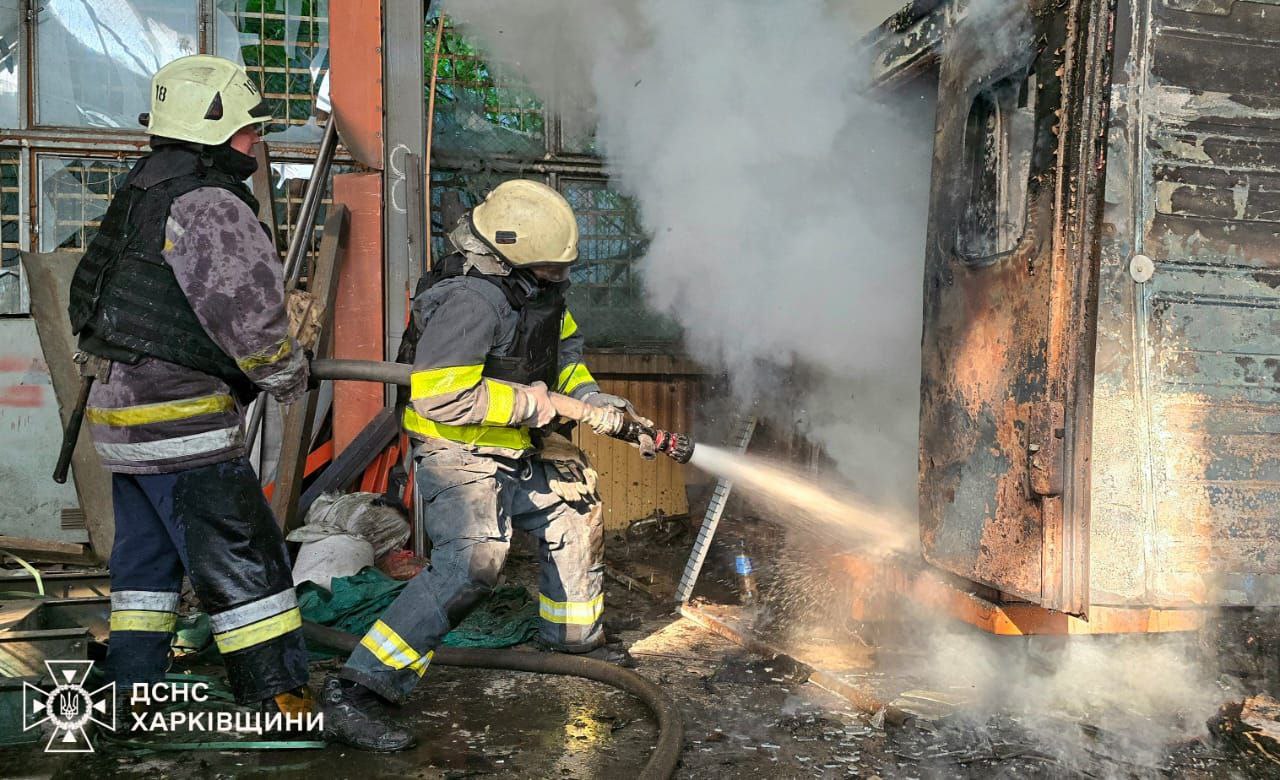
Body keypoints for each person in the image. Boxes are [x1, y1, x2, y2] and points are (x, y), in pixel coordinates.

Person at [321, 180, 646, 751]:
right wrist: (535, 404)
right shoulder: (471, 301)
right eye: (551, 267)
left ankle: (573, 642)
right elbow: (440, 396)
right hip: (457, 449)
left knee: (573, 513)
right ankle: (359, 690)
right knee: (472, 564)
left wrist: (592, 400)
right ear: (512, 254)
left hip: (518, 441)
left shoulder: (539, 291)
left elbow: (561, 359)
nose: (561, 277)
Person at [68, 55, 313, 720]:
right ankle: (281, 700)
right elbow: (251, 321)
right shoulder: (211, 205)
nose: (256, 142)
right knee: (249, 570)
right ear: (218, 132)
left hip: (121, 422)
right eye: (249, 129)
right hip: (185, 428)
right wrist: (291, 376)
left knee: (145, 573)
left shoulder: (144, 190)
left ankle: (131, 688)